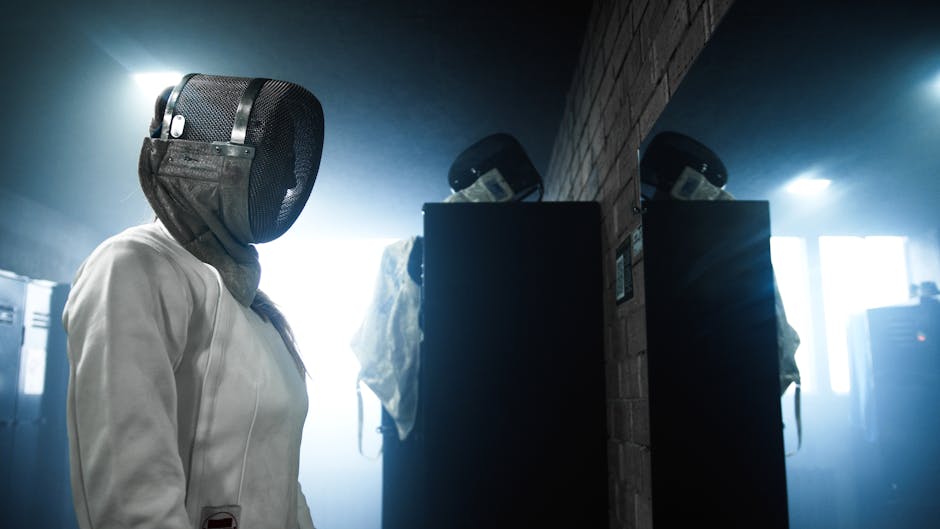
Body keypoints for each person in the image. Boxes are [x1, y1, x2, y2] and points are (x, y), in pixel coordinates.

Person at [62, 74, 323, 529]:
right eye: (276, 159)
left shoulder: (258, 313)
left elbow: (284, 489)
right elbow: (131, 501)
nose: (287, 180)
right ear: (214, 161)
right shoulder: (133, 266)